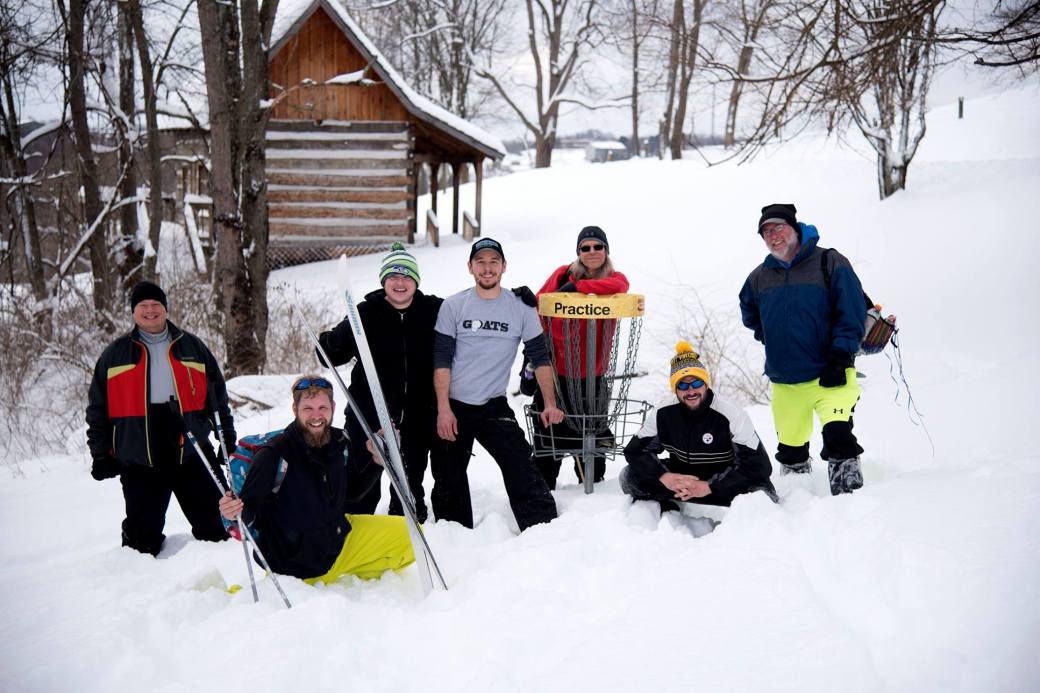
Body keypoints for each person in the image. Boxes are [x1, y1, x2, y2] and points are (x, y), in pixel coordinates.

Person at [85, 281, 235, 556]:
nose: (150, 310)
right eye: (143, 305)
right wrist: (100, 453)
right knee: (141, 547)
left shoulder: (192, 347)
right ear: (133, 311)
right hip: (140, 457)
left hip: (192, 451)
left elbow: (217, 397)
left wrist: (226, 435)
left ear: (165, 309)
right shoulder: (114, 355)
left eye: (156, 305)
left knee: (220, 532)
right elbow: (97, 409)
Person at [218, 376, 414, 583]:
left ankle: (357, 582)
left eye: (323, 407)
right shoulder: (273, 454)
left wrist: (377, 461)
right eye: (308, 409)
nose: (316, 416)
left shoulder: (340, 441)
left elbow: (353, 493)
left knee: (414, 536)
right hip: (296, 564)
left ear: (333, 407)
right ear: (295, 409)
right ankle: (326, 582)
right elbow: (246, 514)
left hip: (337, 540)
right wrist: (231, 513)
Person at [432, 237, 563, 530]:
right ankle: (453, 535)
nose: (487, 268)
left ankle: (544, 530)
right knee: (447, 474)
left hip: (492, 405)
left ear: (504, 266)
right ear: (470, 267)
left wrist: (551, 404)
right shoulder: (453, 306)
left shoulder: (521, 308)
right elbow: (441, 360)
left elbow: (540, 358)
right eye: (481, 262)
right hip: (454, 405)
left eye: (494, 262)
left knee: (519, 462)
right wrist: (442, 409)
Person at [739, 203, 867, 495]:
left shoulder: (829, 263)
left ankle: (851, 504)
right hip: (786, 382)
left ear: (794, 228)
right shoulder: (759, 277)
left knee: (839, 438)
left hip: (830, 374)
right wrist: (773, 338)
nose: (773, 236)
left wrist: (840, 354)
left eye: (778, 227)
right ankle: (799, 508)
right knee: (791, 450)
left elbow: (852, 312)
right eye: (766, 232)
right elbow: (750, 314)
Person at [318, 243, 442, 522]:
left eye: (407, 277)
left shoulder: (433, 309)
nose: (400, 283)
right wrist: (330, 340)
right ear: (384, 281)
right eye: (393, 277)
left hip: (416, 415)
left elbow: (468, 317)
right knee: (363, 486)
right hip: (368, 413)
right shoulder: (365, 312)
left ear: (416, 281)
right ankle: (355, 530)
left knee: (410, 485)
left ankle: (405, 530)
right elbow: (331, 355)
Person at [620, 342, 776, 512]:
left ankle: (743, 528)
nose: (690, 391)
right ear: (675, 389)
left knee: (762, 494)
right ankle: (667, 509)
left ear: (706, 384)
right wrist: (664, 476)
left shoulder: (731, 413)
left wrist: (709, 486)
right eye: (682, 385)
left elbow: (759, 464)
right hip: (680, 483)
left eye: (696, 384)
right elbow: (635, 451)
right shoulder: (663, 412)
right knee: (629, 477)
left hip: (724, 483)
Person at [531, 225, 630, 488]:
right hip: (558, 373)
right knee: (548, 446)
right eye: (585, 248)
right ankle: (544, 498)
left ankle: (590, 501)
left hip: (593, 376)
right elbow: (540, 302)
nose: (592, 252)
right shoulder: (563, 272)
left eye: (598, 246)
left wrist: (578, 287)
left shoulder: (614, 278)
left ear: (606, 250)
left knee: (591, 451)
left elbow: (621, 285)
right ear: (578, 252)